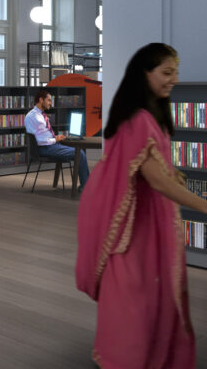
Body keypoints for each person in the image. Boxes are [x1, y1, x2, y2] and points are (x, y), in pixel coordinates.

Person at [76, 43, 205, 368]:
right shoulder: (138, 122)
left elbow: (159, 171)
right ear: (144, 74)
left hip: (152, 222)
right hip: (134, 229)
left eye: (175, 72)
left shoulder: (150, 117)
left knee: (152, 295)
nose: (173, 79)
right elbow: (157, 181)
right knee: (136, 299)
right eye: (166, 72)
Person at [25, 88, 90, 188]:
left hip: (49, 146)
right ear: (41, 100)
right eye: (49, 100)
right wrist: (55, 139)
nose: (51, 103)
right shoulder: (35, 117)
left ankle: (86, 185)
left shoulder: (36, 114)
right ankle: (86, 186)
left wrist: (56, 137)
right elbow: (40, 141)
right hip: (46, 148)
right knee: (80, 153)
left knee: (77, 150)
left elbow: (42, 135)